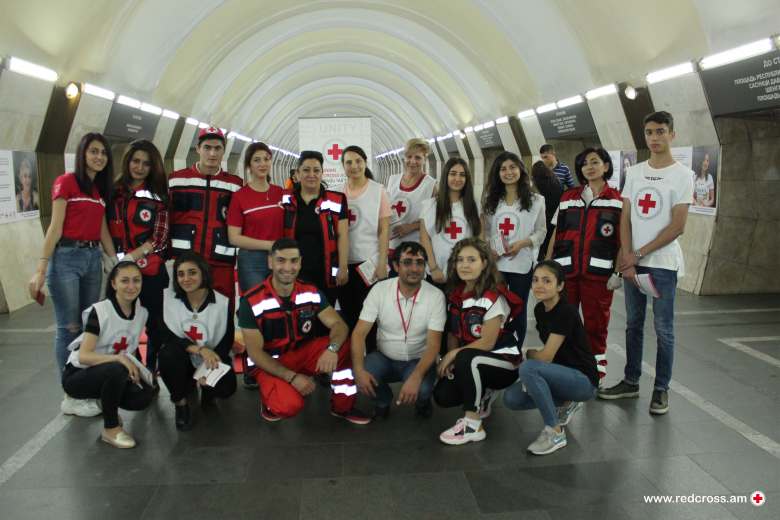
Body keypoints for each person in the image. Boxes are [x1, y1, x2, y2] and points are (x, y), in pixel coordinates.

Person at [599, 111, 694, 415]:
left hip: (662, 264)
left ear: (672, 135)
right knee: (632, 325)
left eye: (661, 131)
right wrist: (626, 255)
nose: (655, 137)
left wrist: (638, 254)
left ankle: (661, 389)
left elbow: (677, 226)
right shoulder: (636, 172)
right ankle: (630, 381)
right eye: (650, 132)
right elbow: (625, 215)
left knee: (663, 328)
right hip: (632, 262)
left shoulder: (683, 175)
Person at [28, 133, 117, 418]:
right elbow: (54, 228)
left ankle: (83, 385)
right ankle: (70, 393)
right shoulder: (66, 182)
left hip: (92, 259)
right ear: (82, 154)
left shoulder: (99, 189)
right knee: (68, 328)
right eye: (93, 152)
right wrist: (41, 269)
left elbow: (102, 227)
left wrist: (113, 259)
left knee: (87, 325)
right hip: (66, 258)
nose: (99, 157)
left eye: (103, 153)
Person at [239, 238, 370, 424]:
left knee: (343, 345)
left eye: (293, 261)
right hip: (268, 363)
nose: (288, 267)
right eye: (281, 260)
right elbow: (255, 353)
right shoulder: (251, 300)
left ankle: (343, 407)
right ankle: (270, 400)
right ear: (270, 262)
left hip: (301, 354)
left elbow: (339, 325)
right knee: (288, 406)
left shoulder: (310, 291)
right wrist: (292, 378)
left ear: (300, 263)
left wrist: (331, 349)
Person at [434, 238, 524, 445]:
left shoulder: (494, 295)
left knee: (467, 357)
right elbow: (453, 334)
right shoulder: (456, 295)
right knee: (443, 396)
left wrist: (453, 355)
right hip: (474, 358)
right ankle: (484, 391)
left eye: (472, 259)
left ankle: (472, 425)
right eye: (460, 260)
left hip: (505, 361)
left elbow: (488, 342)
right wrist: (452, 358)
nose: (465, 265)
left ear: (484, 263)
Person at [503, 261, 599, 455]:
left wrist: (528, 353)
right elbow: (552, 353)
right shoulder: (540, 310)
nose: (539, 285)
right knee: (511, 399)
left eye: (547, 281)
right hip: (561, 374)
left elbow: (545, 357)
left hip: (583, 380)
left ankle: (554, 432)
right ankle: (566, 402)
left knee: (529, 367)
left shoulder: (566, 311)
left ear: (560, 286)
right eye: (536, 280)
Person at [546, 148, 622, 382]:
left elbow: (621, 240)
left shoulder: (617, 201)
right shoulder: (568, 198)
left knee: (596, 325)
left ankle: (595, 370)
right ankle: (565, 364)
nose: (589, 167)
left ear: (606, 166)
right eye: (584, 163)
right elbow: (557, 233)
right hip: (566, 274)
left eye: (595, 162)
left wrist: (617, 272)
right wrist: (548, 267)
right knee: (563, 322)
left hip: (599, 276)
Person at [61, 261, 155, 448]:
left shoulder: (141, 313)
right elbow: (84, 356)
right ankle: (110, 428)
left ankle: (103, 399)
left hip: (110, 371)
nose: (131, 286)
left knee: (144, 396)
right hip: (78, 375)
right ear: (113, 284)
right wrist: (119, 358)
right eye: (124, 281)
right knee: (117, 368)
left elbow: (131, 347)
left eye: (136, 280)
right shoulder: (100, 310)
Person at [351, 242, 446, 419]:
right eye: (407, 262)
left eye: (419, 262)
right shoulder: (379, 290)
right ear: (395, 266)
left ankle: (423, 402)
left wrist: (417, 376)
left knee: (423, 388)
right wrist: (358, 370)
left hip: (418, 359)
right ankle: (383, 400)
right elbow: (358, 333)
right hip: (384, 357)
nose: (414, 268)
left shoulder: (436, 296)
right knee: (359, 374)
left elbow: (434, 344)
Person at [108, 140, 169, 385]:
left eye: (146, 163)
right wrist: (112, 257)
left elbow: (161, 237)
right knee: (121, 325)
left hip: (151, 272)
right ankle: (131, 371)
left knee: (155, 326)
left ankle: (151, 371)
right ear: (127, 161)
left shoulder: (158, 197)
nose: (140, 167)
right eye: (136, 161)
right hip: (118, 272)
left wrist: (135, 255)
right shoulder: (112, 193)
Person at [158, 252, 237, 431]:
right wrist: (198, 350)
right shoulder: (169, 301)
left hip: (211, 358)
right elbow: (166, 336)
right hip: (183, 358)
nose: (186, 279)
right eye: (181, 274)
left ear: (203, 273)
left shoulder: (222, 302)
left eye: (192, 272)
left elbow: (226, 341)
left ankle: (208, 392)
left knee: (227, 387)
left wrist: (209, 371)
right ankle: (181, 403)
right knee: (167, 355)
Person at [168, 126, 243, 302]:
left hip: (221, 264)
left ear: (224, 151)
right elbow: (166, 221)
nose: (212, 153)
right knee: (182, 316)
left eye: (217, 148)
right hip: (184, 263)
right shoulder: (176, 180)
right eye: (207, 147)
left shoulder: (235, 185)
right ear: (198, 149)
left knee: (223, 315)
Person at [482, 151, 545, 347]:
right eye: (503, 169)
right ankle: (495, 348)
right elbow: (484, 231)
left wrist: (522, 244)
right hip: (496, 265)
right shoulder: (490, 201)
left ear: (520, 170)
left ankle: (515, 353)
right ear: (497, 173)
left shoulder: (536, 200)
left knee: (518, 309)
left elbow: (541, 231)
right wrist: (489, 249)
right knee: (494, 308)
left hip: (521, 265)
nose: (508, 172)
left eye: (512, 167)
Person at [280, 151, 349, 307]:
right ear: (297, 173)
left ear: (322, 173)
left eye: (316, 170)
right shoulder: (285, 199)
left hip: (325, 271)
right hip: (294, 271)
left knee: (326, 317)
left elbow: (342, 235)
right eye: (306, 170)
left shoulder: (337, 199)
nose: (311, 174)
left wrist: (343, 267)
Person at [336, 145, 390, 337]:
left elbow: (384, 230)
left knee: (371, 317)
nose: (354, 166)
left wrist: (383, 263)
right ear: (343, 166)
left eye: (358, 161)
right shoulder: (337, 194)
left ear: (365, 162)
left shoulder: (378, 191)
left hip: (370, 264)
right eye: (348, 162)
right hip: (345, 265)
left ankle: (372, 359)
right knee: (349, 315)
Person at [228, 141, 285, 293]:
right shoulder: (240, 196)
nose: (262, 164)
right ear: (249, 165)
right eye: (257, 160)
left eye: (266, 159)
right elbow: (234, 238)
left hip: (280, 258)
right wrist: (269, 245)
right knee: (257, 304)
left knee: (281, 304)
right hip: (252, 261)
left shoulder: (280, 193)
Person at [419, 158, 481, 285]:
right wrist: (433, 268)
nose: (457, 179)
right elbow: (424, 239)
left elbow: (480, 239)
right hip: (437, 272)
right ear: (445, 176)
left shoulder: (474, 206)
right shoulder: (430, 205)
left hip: (466, 273)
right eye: (453, 174)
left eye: (462, 175)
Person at [386, 138, 436, 257]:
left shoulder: (431, 185)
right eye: (409, 156)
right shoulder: (392, 180)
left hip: (415, 250)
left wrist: (412, 227)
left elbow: (436, 218)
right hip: (391, 248)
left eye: (418, 157)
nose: (412, 161)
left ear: (425, 159)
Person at [531, 160, 563, 262]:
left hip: (543, 214)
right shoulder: (556, 180)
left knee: (540, 240)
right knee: (549, 239)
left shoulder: (536, 183)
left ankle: (539, 259)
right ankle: (548, 258)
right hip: (555, 214)